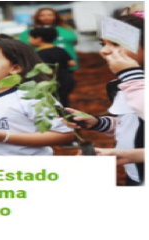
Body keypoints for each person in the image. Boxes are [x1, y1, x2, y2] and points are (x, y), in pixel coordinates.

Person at [64, 11, 144, 186]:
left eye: (116, 44)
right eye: (103, 44)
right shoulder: (122, 85)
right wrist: (98, 123)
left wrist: (130, 74)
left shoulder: (132, 82)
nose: (105, 51)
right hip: (135, 174)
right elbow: (131, 125)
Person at [29, 26, 76, 107]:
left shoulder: (39, 54)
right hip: (67, 79)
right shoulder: (59, 49)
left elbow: (48, 70)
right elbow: (72, 63)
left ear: (38, 39)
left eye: (30, 37)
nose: (28, 40)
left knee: (55, 103)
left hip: (54, 84)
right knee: (63, 101)